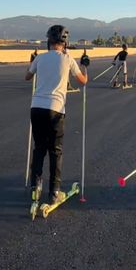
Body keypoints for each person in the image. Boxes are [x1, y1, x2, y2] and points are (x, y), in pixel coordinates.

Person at [25, 25, 88, 205]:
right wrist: (85, 65)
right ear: (64, 43)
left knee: (39, 148)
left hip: (36, 108)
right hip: (56, 109)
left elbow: (27, 77)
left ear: (49, 42)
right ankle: (54, 192)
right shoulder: (68, 59)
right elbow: (83, 81)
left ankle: (35, 187)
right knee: (55, 151)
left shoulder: (40, 58)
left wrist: (32, 62)